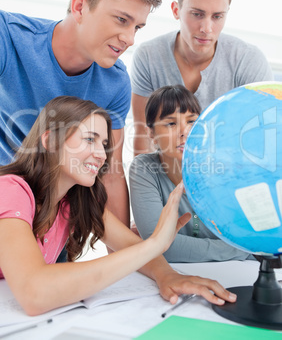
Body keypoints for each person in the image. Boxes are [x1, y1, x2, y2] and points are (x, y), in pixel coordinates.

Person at [0, 95, 237, 316]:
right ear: (51, 140)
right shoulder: (10, 190)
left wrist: (167, 276)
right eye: (89, 139)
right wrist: (154, 243)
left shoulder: (74, 200)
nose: (102, 155)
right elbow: (34, 293)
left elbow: (127, 245)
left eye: (104, 144)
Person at [0, 0, 162, 238]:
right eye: (121, 20)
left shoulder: (116, 83)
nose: (130, 39)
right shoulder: (8, 38)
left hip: (55, 222)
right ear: (79, 6)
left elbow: (110, 174)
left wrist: (125, 260)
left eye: (137, 27)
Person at [131, 0, 273, 155]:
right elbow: (143, 137)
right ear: (176, 10)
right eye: (197, 14)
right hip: (166, 177)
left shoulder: (248, 61)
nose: (207, 28)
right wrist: (147, 186)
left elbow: (263, 140)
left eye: (217, 16)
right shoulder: (148, 57)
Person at [129, 85, 253, 262]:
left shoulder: (224, 167)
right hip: (183, 275)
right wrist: (235, 250)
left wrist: (242, 249)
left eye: (191, 121)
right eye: (171, 123)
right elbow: (157, 246)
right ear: (151, 133)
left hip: (243, 270)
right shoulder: (144, 169)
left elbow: (248, 240)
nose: (184, 132)